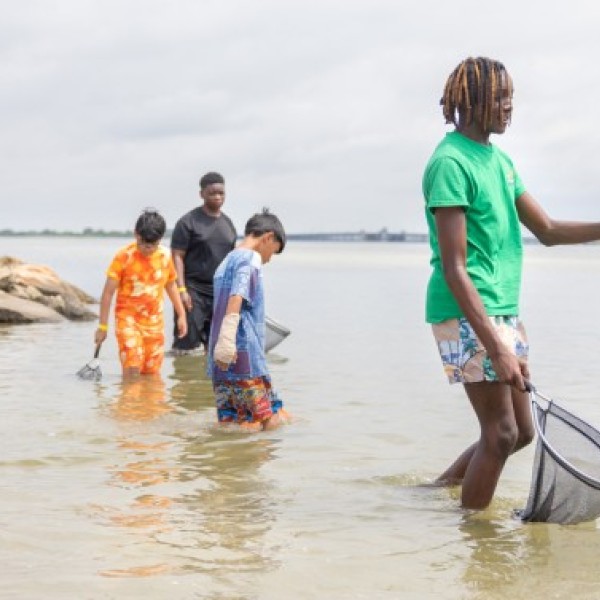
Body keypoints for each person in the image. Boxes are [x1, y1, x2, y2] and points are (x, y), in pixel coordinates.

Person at [422, 56, 600, 510]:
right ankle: (474, 541)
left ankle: (432, 493)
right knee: (499, 433)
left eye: (511, 98)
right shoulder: (449, 162)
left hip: (501, 310)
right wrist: (497, 347)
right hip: (466, 309)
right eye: (501, 98)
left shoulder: (500, 161)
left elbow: (548, 230)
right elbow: (454, 266)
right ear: (473, 98)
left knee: (519, 433)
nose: (508, 107)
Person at [207, 208, 289, 431]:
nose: (269, 259)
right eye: (273, 252)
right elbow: (238, 295)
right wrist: (228, 338)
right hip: (243, 355)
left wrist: (222, 343)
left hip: (220, 358)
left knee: (233, 421)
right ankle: (259, 464)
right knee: (267, 420)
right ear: (268, 237)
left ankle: (229, 464)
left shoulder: (227, 259)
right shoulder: (250, 258)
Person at [95, 209, 187, 377]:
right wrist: (102, 327)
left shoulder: (165, 256)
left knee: (152, 374)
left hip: (154, 323)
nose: (148, 248)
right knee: (132, 367)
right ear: (136, 234)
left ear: (160, 239)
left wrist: (181, 315)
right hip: (127, 321)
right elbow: (108, 293)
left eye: (153, 244)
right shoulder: (124, 257)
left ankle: (148, 404)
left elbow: (171, 285)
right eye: (144, 243)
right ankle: (129, 402)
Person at [170, 171, 237, 355]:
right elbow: (177, 257)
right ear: (202, 194)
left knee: (215, 348)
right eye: (212, 193)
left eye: (221, 193)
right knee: (185, 348)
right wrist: (182, 290)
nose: (217, 197)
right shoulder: (187, 222)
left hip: (220, 291)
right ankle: (184, 382)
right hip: (193, 291)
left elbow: (232, 259)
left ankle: (206, 384)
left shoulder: (228, 224)